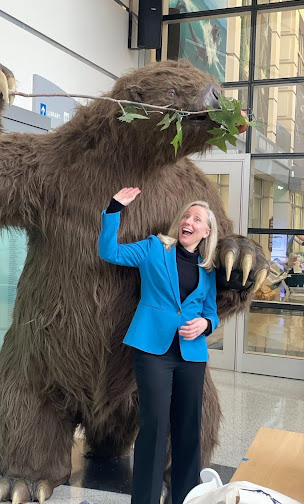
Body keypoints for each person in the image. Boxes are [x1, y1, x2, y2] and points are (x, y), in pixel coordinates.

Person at [98, 187, 219, 504]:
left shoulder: (208, 271)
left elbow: (211, 314)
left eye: (197, 218)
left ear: (206, 232)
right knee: (154, 424)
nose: (188, 221)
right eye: (186, 215)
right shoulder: (154, 248)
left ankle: (185, 498)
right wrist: (113, 210)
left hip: (191, 354)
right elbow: (110, 252)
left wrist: (206, 324)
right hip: (153, 349)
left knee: (189, 428)